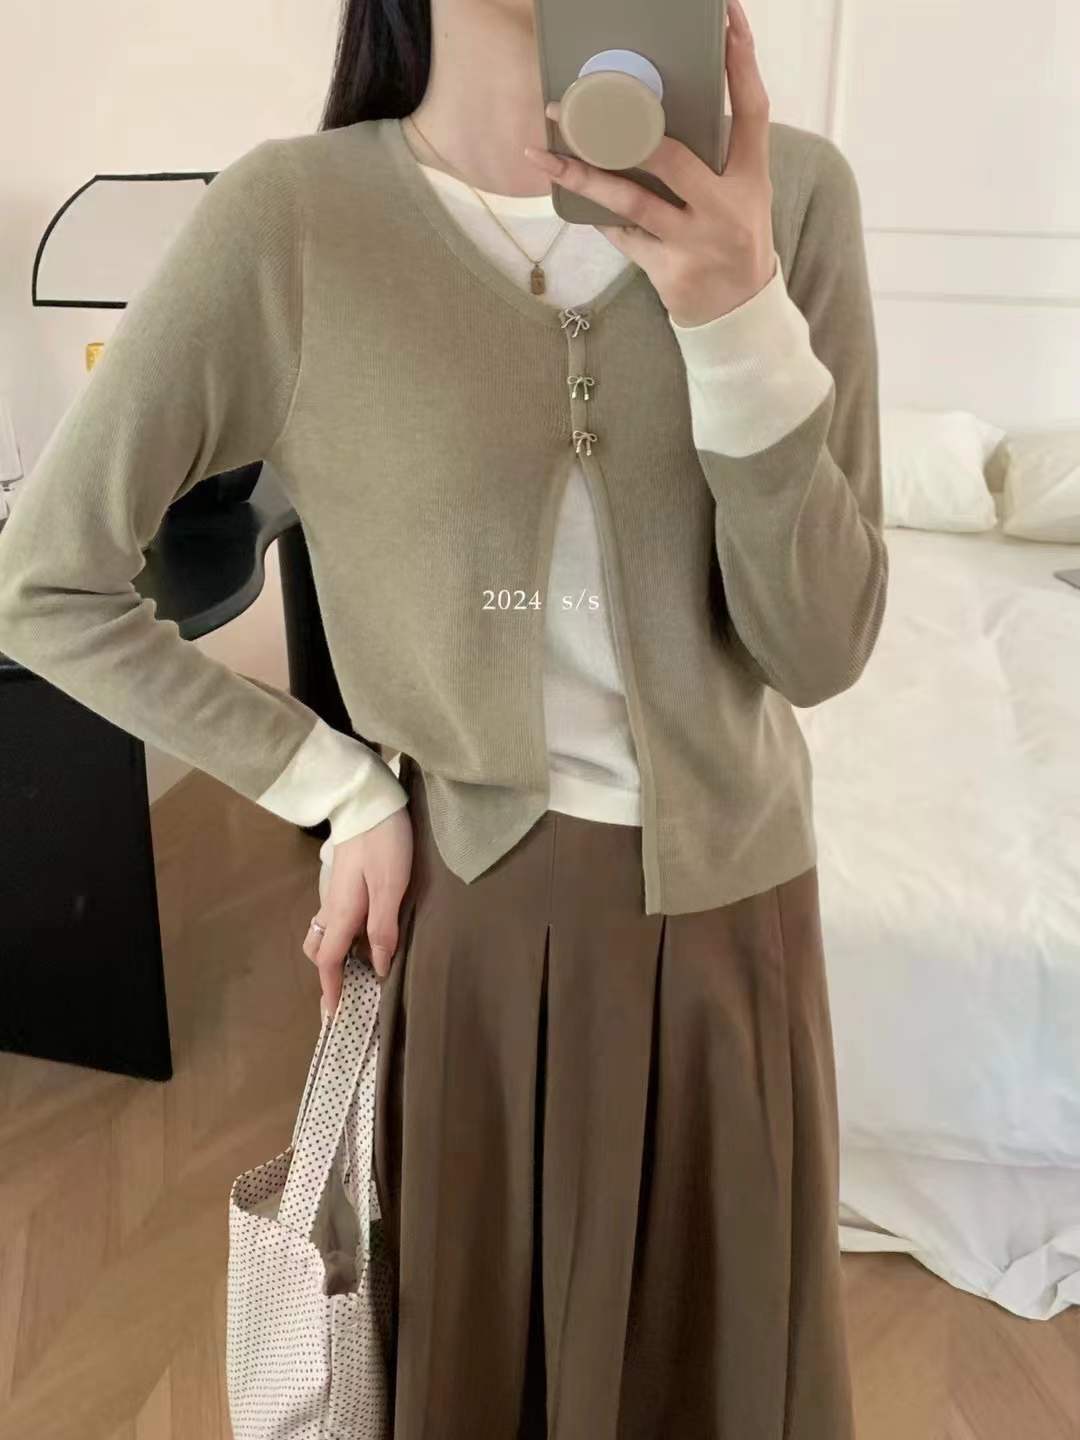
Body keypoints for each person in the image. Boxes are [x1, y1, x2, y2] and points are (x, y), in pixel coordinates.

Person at [0, 0, 887, 1433]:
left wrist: (739, 318)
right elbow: (45, 584)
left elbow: (822, 645)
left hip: (738, 936)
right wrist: (336, 786)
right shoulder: (294, 223)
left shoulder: (790, 199)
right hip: (476, 935)